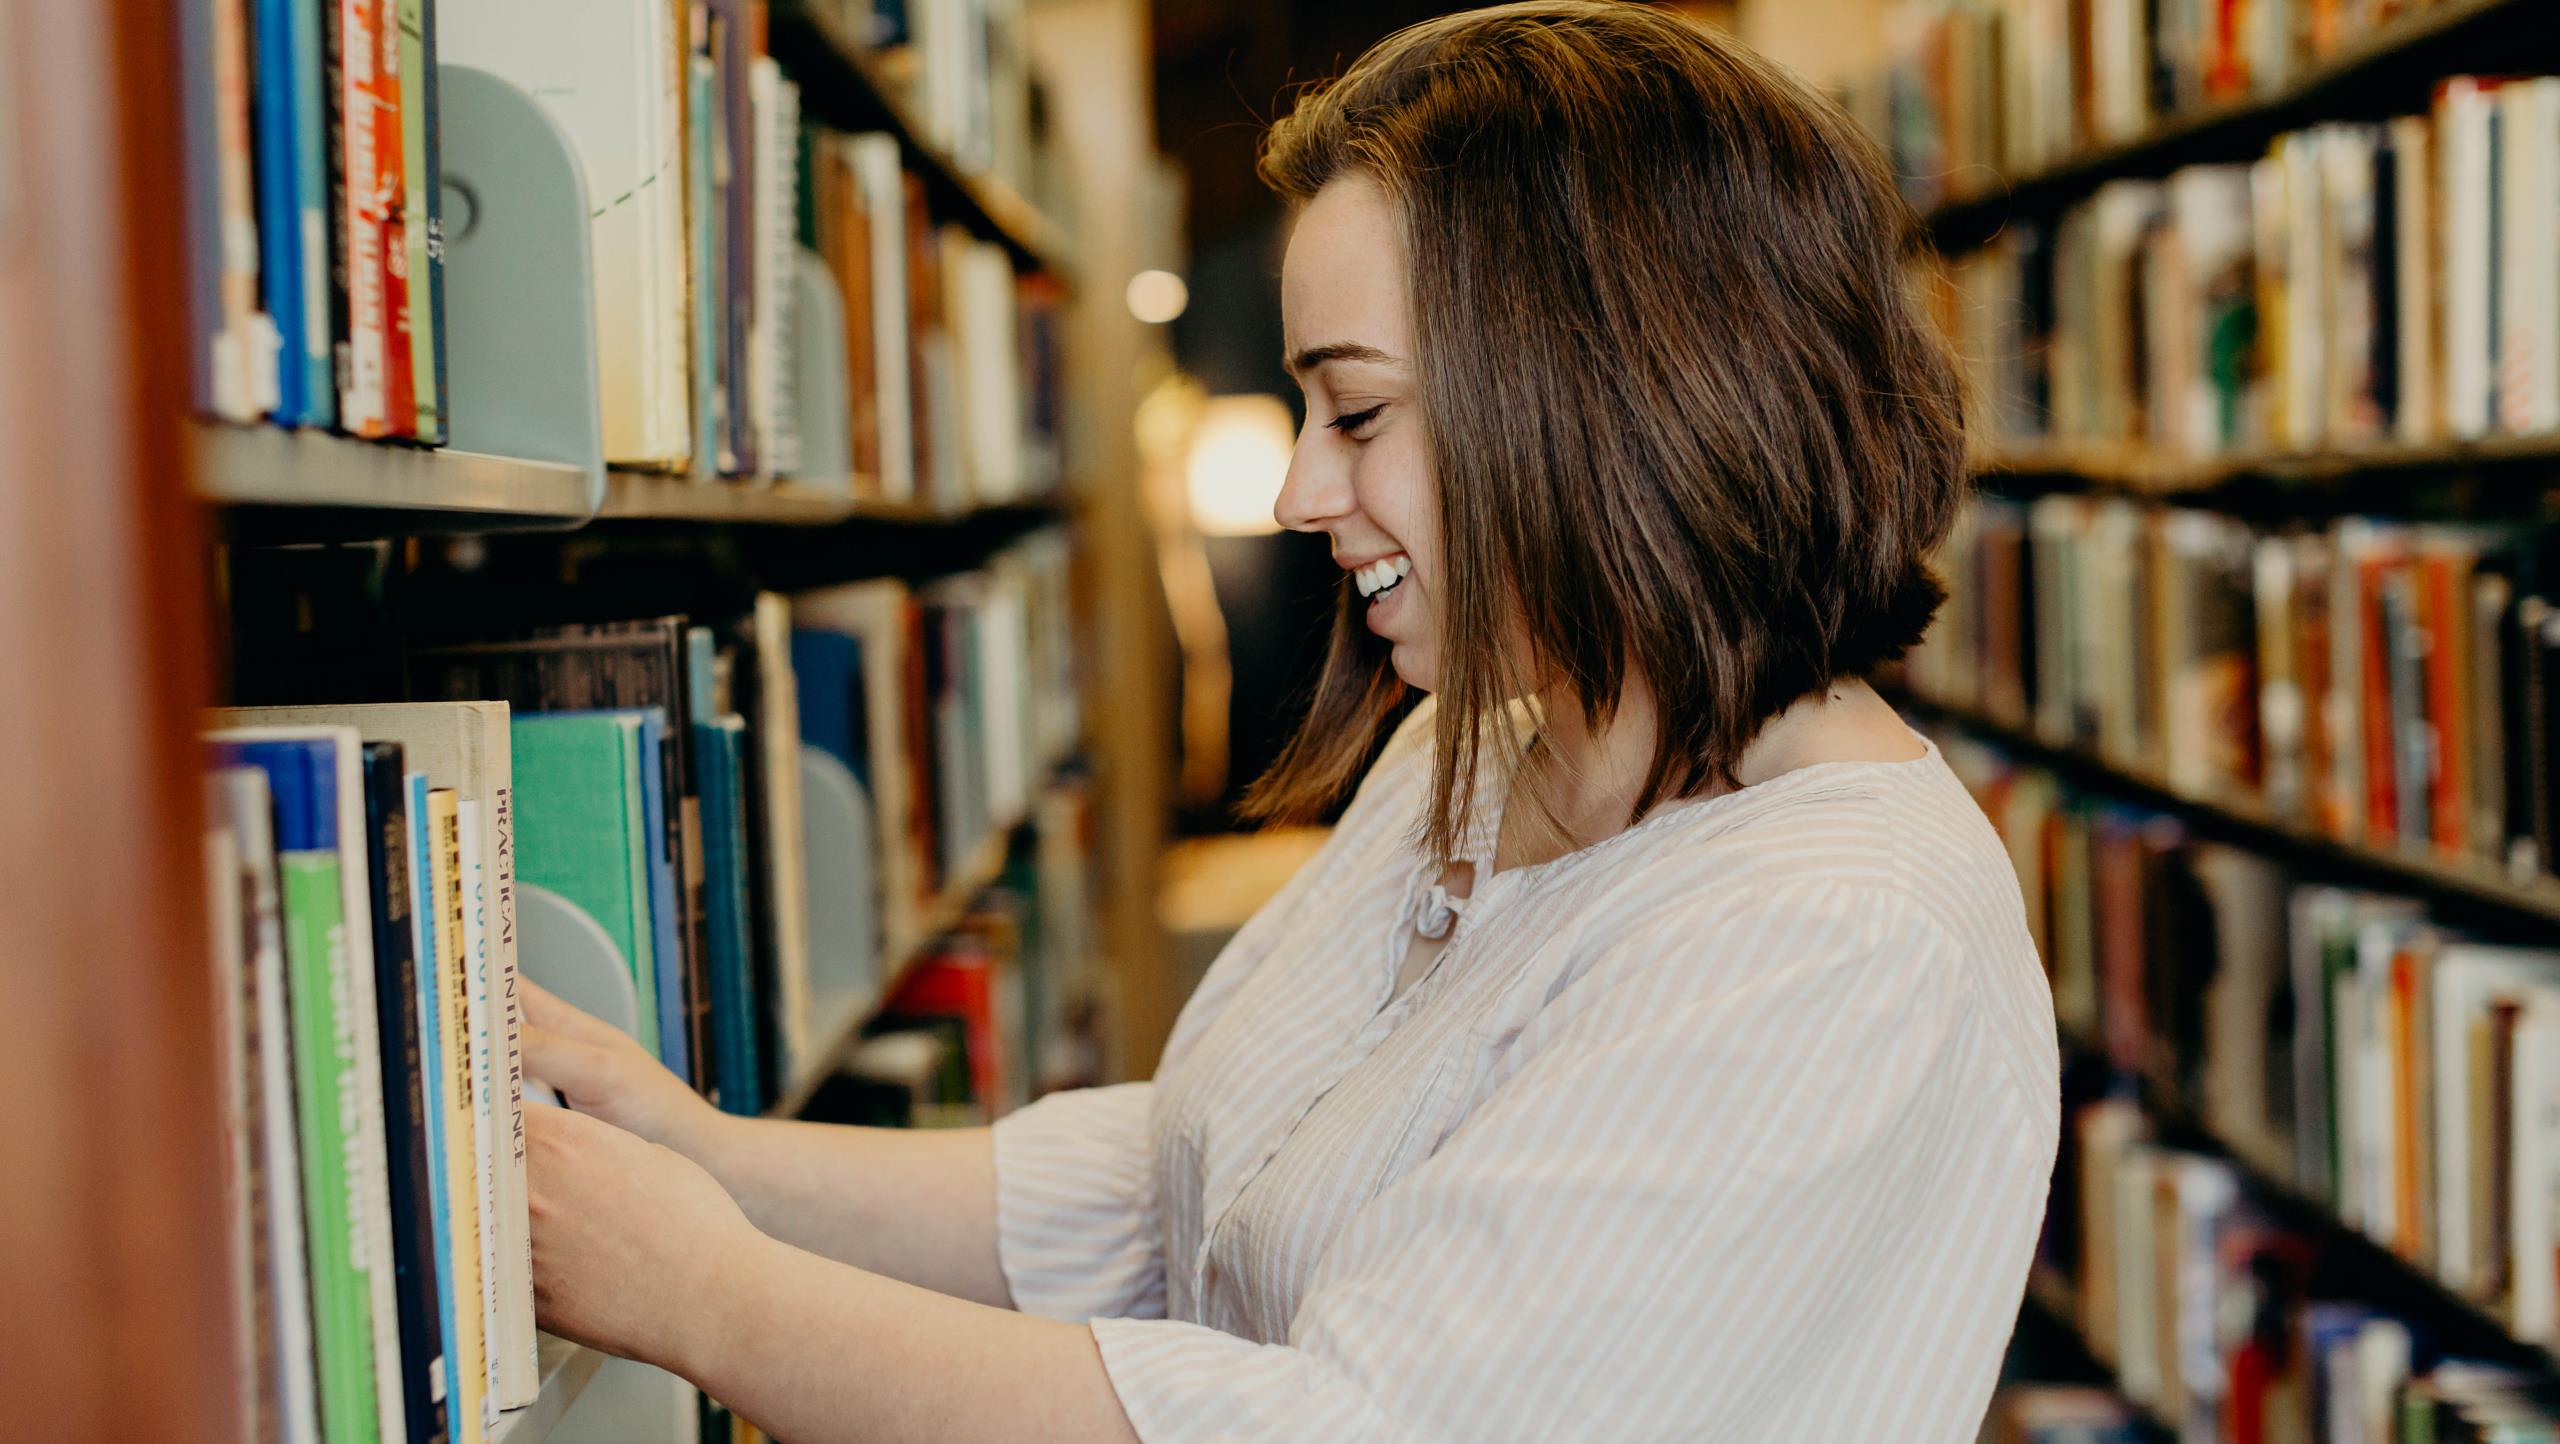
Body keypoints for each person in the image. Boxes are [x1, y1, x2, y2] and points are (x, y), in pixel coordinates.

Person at [518, 4, 2061, 1439]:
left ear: (1608, 398)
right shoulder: (1471, 755)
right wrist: (703, 1157)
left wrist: (709, 1299)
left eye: (1361, 413)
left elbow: (1354, 1426)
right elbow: (1190, 1185)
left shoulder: (1840, 941)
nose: (1301, 492)